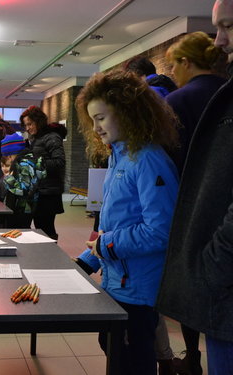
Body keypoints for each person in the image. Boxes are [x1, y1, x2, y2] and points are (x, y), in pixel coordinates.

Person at [75, 70, 179, 375]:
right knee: (113, 347)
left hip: (138, 285)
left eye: (102, 118)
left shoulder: (148, 159)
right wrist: (86, 261)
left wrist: (105, 245)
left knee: (132, 358)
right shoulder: (120, 156)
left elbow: (161, 230)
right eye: (92, 119)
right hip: (118, 279)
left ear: (128, 113)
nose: (95, 128)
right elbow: (117, 223)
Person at [157, 2, 233, 374]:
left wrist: (209, 264)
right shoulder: (223, 90)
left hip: (206, 239)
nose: (220, 40)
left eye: (228, 26)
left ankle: (190, 353)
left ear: (186, 63)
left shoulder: (178, 101)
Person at [166, 31, 226, 175]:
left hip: (193, 183)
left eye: (173, 65)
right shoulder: (227, 89)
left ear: (185, 63)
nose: (172, 71)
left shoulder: (176, 100)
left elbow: (173, 155)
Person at [20, 106, 66, 240]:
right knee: (40, 226)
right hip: (39, 190)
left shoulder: (52, 137)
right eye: (25, 125)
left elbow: (59, 162)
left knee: (46, 228)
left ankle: (51, 256)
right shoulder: (36, 138)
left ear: (38, 121)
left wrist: (35, 163)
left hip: (49, 192)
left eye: (29, 124)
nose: (27, 128)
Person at [0, 132, 46, 229]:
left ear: (14, 152)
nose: (8, 159)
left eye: (9, 155)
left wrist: (8, 179)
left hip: (23, 208)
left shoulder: (25, 164)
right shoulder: (26, 160)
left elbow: (25, 190)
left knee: (19, 231)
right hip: (25, 207)